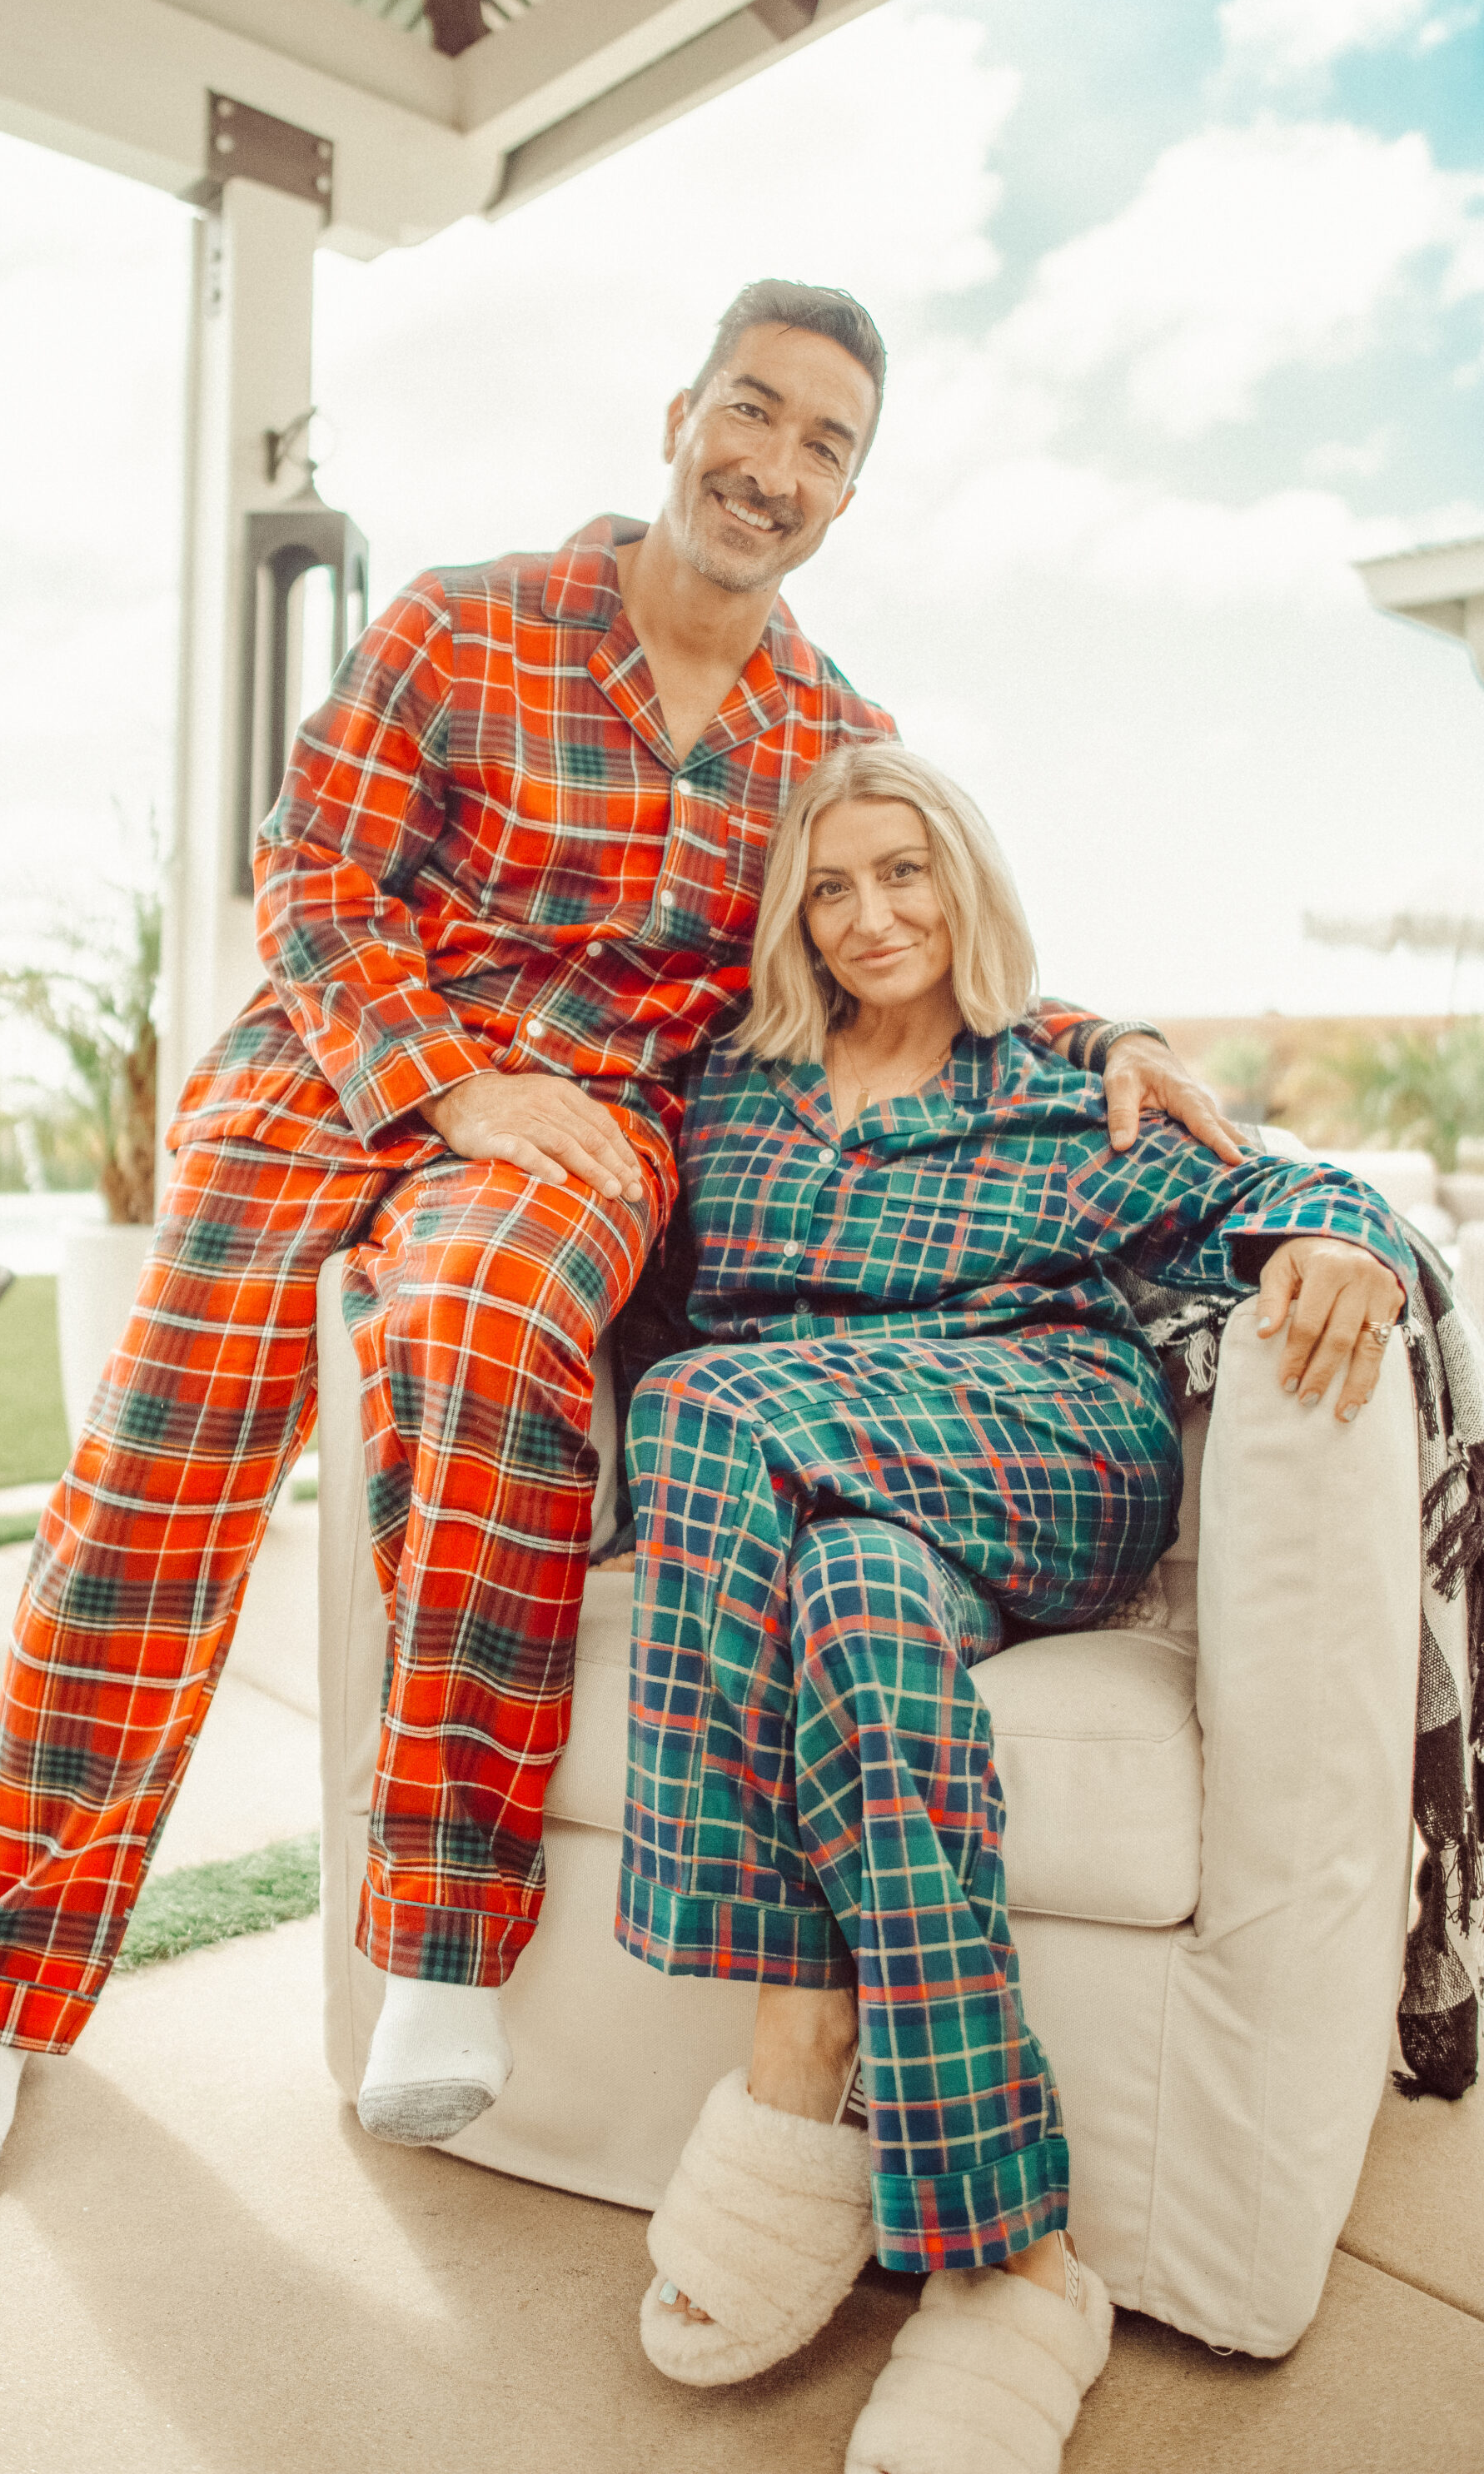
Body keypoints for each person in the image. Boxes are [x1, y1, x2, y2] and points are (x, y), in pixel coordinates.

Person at [0, 280, 1236, 2191]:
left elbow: (906, 945)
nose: (770, 467)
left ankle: (439, 1941)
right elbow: (314, 873)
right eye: (749, 414)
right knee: (157, 1462)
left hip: (589, 1123)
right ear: (680, 410)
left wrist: (1118, 1040)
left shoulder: (831, 732)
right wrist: (438, 1083)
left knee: (497, 1328)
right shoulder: (463, 619)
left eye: (821, 444)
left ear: (850, 490)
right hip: (341, 1063)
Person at [615, 743, 1412, 2469]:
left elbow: (1279, 1181)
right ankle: (1012, 2256)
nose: (871, 914)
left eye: (905, 872)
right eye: (831, 886)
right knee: (848, 1611)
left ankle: (793, 2035)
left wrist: (1341, 1239)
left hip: (1043, 1442)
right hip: (831, 1492)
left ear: (961, 882)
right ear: (794, 918)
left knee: (699, 1408)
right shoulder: (726, 1094)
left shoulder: (1060, 1082)